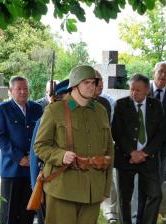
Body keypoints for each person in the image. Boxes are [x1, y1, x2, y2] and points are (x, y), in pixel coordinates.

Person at [34, 65, 113, 223]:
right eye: (87, 83)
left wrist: (106, 188)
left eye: (94, 83)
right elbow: (40, 146)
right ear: (75, 86)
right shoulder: (55, 110)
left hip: (93, 188)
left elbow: (109, 150)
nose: (92, 87)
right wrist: (61, 156)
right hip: (63, 187)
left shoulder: (101, 111)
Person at [112, 74, 163, 224]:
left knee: (155, 194)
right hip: (126, 158)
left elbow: (161, 133)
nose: (134, 93)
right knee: (124, 198)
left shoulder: (156, 105)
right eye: (131, 89)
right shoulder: (120, 105)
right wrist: (132, 152)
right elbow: (117, 131)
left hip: (149, 158)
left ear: (147, 90)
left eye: (138, 90)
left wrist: (145, 152)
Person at [0, 76, 43, 224]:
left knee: (28, 211)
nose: (23, 92)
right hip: (12, 169)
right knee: (10, 213)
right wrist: (19, 157)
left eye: (25, 89)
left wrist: (33, 158)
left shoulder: (37, 108)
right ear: (10, 91)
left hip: (32, 170)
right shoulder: (3, 109)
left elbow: (42, 135)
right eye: (19, 89)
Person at [29, 79, 69, 224]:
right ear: (59, 98)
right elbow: (36, 155)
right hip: (49, 182)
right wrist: (36, 187)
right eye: (69, 97)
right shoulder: (46, 118)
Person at [95, 70, 119, 223]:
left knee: (109, 182)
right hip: (84, 152)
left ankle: (110, 212)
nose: (101, 84)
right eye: (97, 81)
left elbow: (110, 126)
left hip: (104, 147)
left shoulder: (105, 103)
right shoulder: (73, 102)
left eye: (101, 80)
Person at [148, 61, 166, 182]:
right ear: (154, 72)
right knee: (140, 186)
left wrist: (159, 140)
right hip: (140, 147)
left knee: (157, 184)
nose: (163, 75)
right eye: (160, 71)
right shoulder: (141, 91)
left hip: (163, 147)